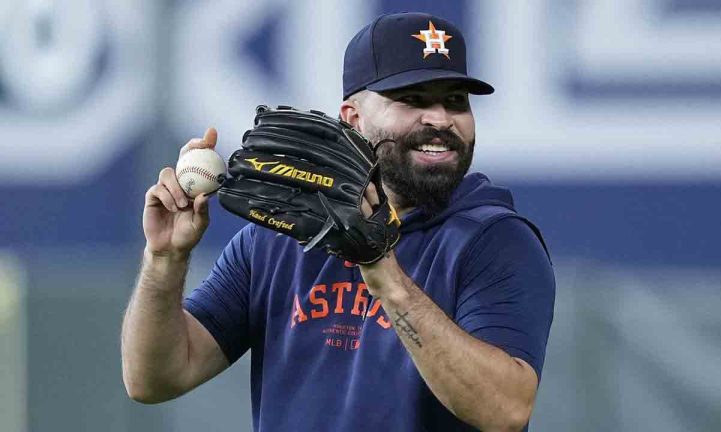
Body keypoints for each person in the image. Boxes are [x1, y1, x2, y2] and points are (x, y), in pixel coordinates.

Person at [121, 12, 555, 432]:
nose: (440, 119)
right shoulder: (279, 234)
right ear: (353, 118)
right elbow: (155, 378)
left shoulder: (494, 240)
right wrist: (164, 260)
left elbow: (505, 411)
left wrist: (385, 276)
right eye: (413, 100)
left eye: (455, 101)